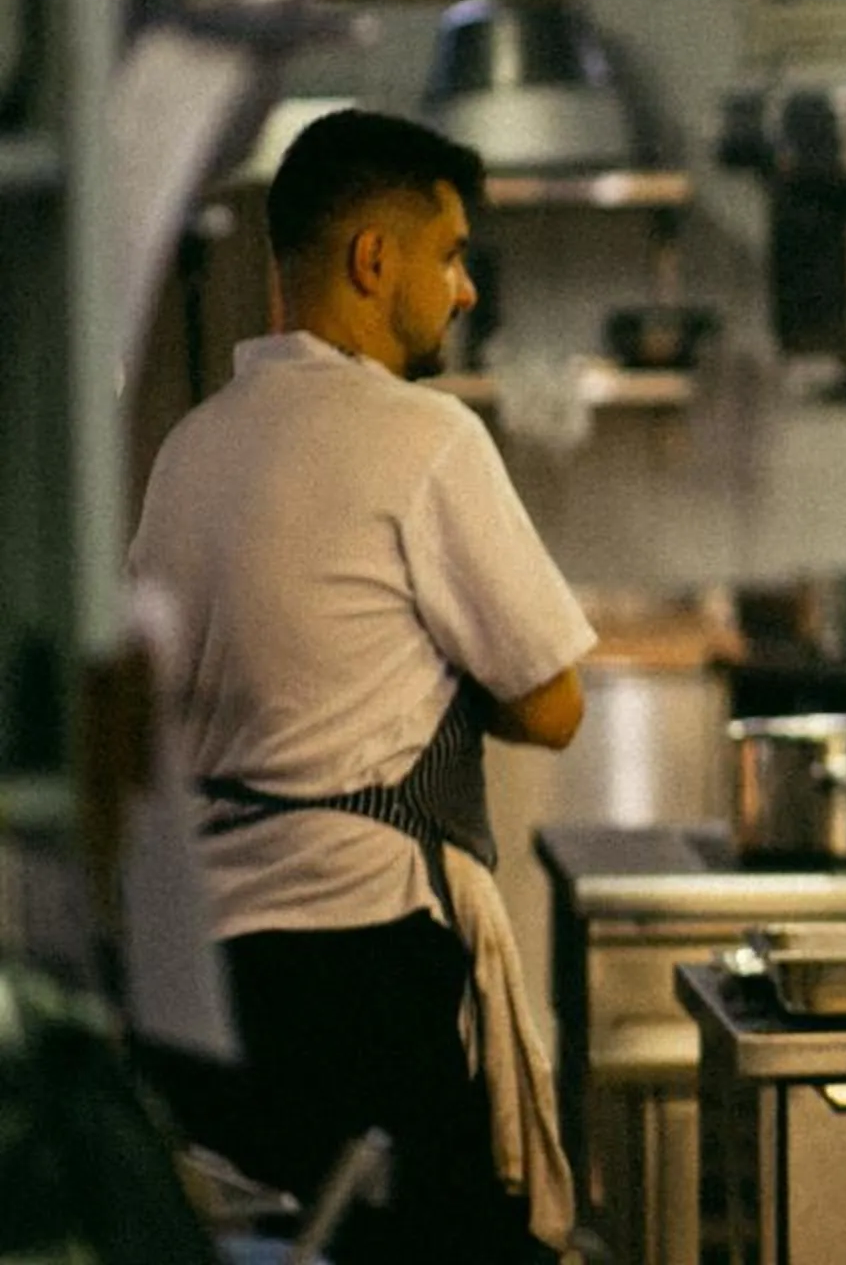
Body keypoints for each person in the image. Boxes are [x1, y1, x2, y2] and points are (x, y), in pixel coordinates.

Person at [126, 108, 593, 1265]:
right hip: (367, 962)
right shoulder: (424, 437)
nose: (466, 289)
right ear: (373, 260)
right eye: (450, 254)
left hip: (211, 974)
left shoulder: (190, 448)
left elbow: (151, 705)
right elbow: (552, 702)